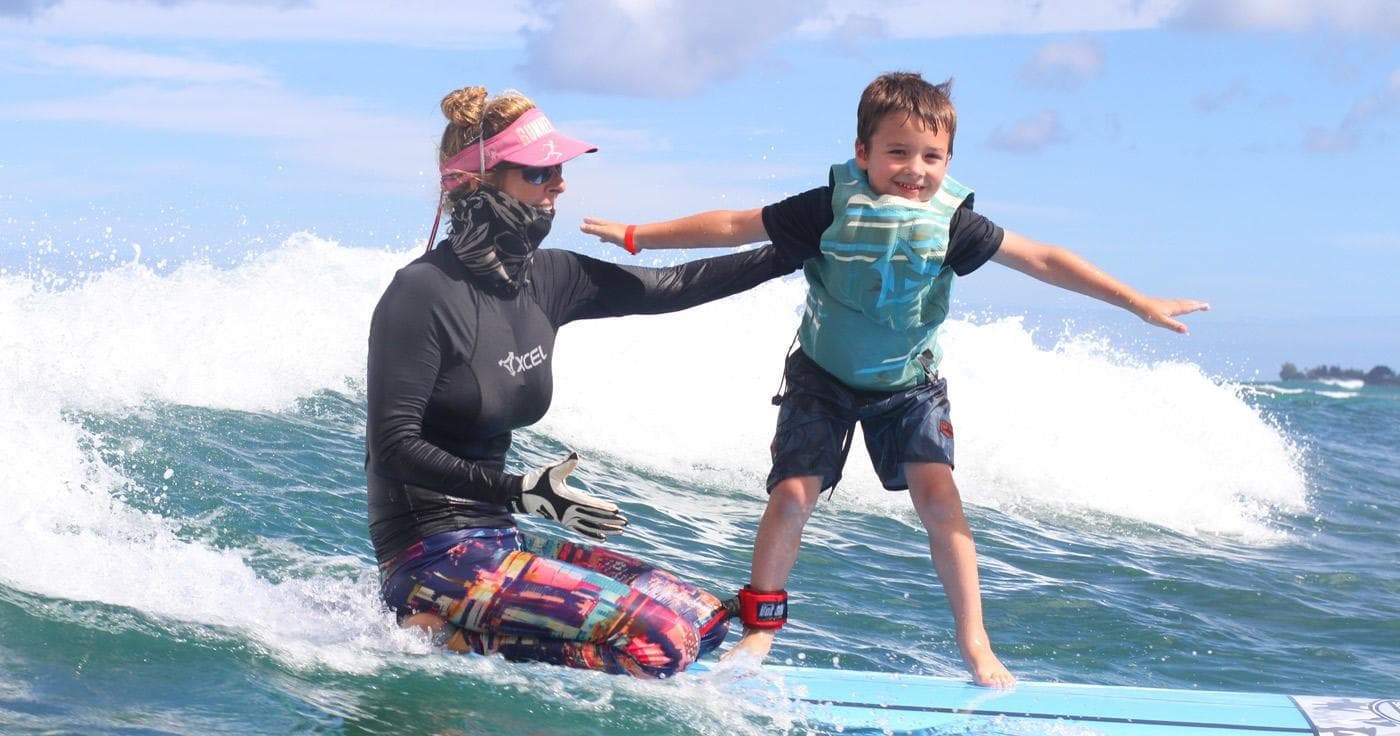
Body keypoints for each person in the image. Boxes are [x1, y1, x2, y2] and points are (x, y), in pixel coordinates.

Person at [581, 71, 1209, 687]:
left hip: (910, 384)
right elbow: (733, 225)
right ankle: (761, 626)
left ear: (949, 160)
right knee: (793, 495)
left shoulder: (955, 223)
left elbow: (1043, 258)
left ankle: (975, 640)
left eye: (932, 156)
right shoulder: (828, 206)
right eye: (898, 152)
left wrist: (1137, 300)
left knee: (939, 500)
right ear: (862, 152)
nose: (915, 169)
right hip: (821, 377)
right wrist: (639, 235)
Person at [366, 85, 797, 679]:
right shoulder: (421, 293)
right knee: (662, 644)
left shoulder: (548, 278)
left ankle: (467, 628)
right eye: (540, 172)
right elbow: (392, 447)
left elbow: (672, 287)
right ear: (479, 181)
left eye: (559, 170)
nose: (559, 186)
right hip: (431, 556)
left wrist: (795, 250)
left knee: (704, 619)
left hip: (501, 541)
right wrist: (518, 490)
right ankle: (441, 633)